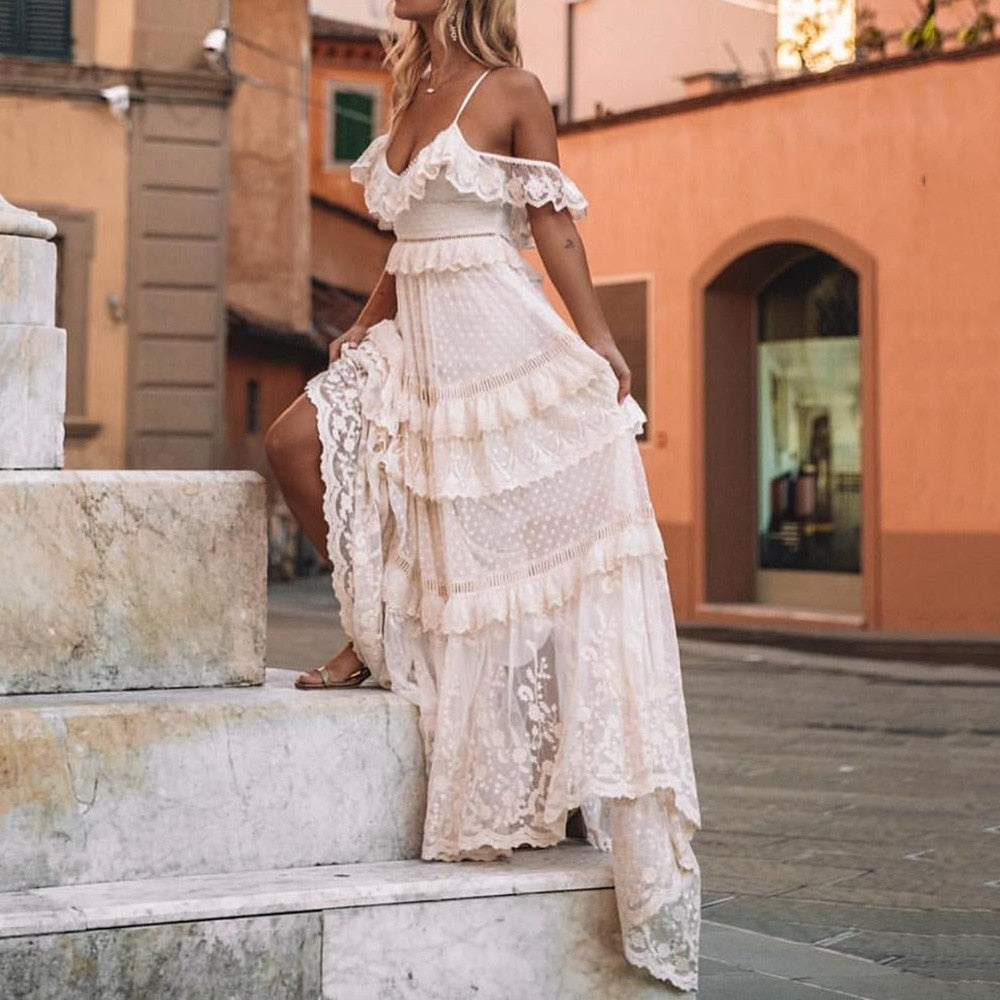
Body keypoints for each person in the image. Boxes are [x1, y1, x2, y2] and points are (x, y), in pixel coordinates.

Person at [265, 0, 701, 990]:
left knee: (506, 551)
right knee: (294, 437)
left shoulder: (511, 91)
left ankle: (562, 766)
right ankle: (373, 631)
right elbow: (405, 244)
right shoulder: (408, 85)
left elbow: (552, 229)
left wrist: (595, 341)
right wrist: (362, 324)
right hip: (417, 338)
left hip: (498, 340)